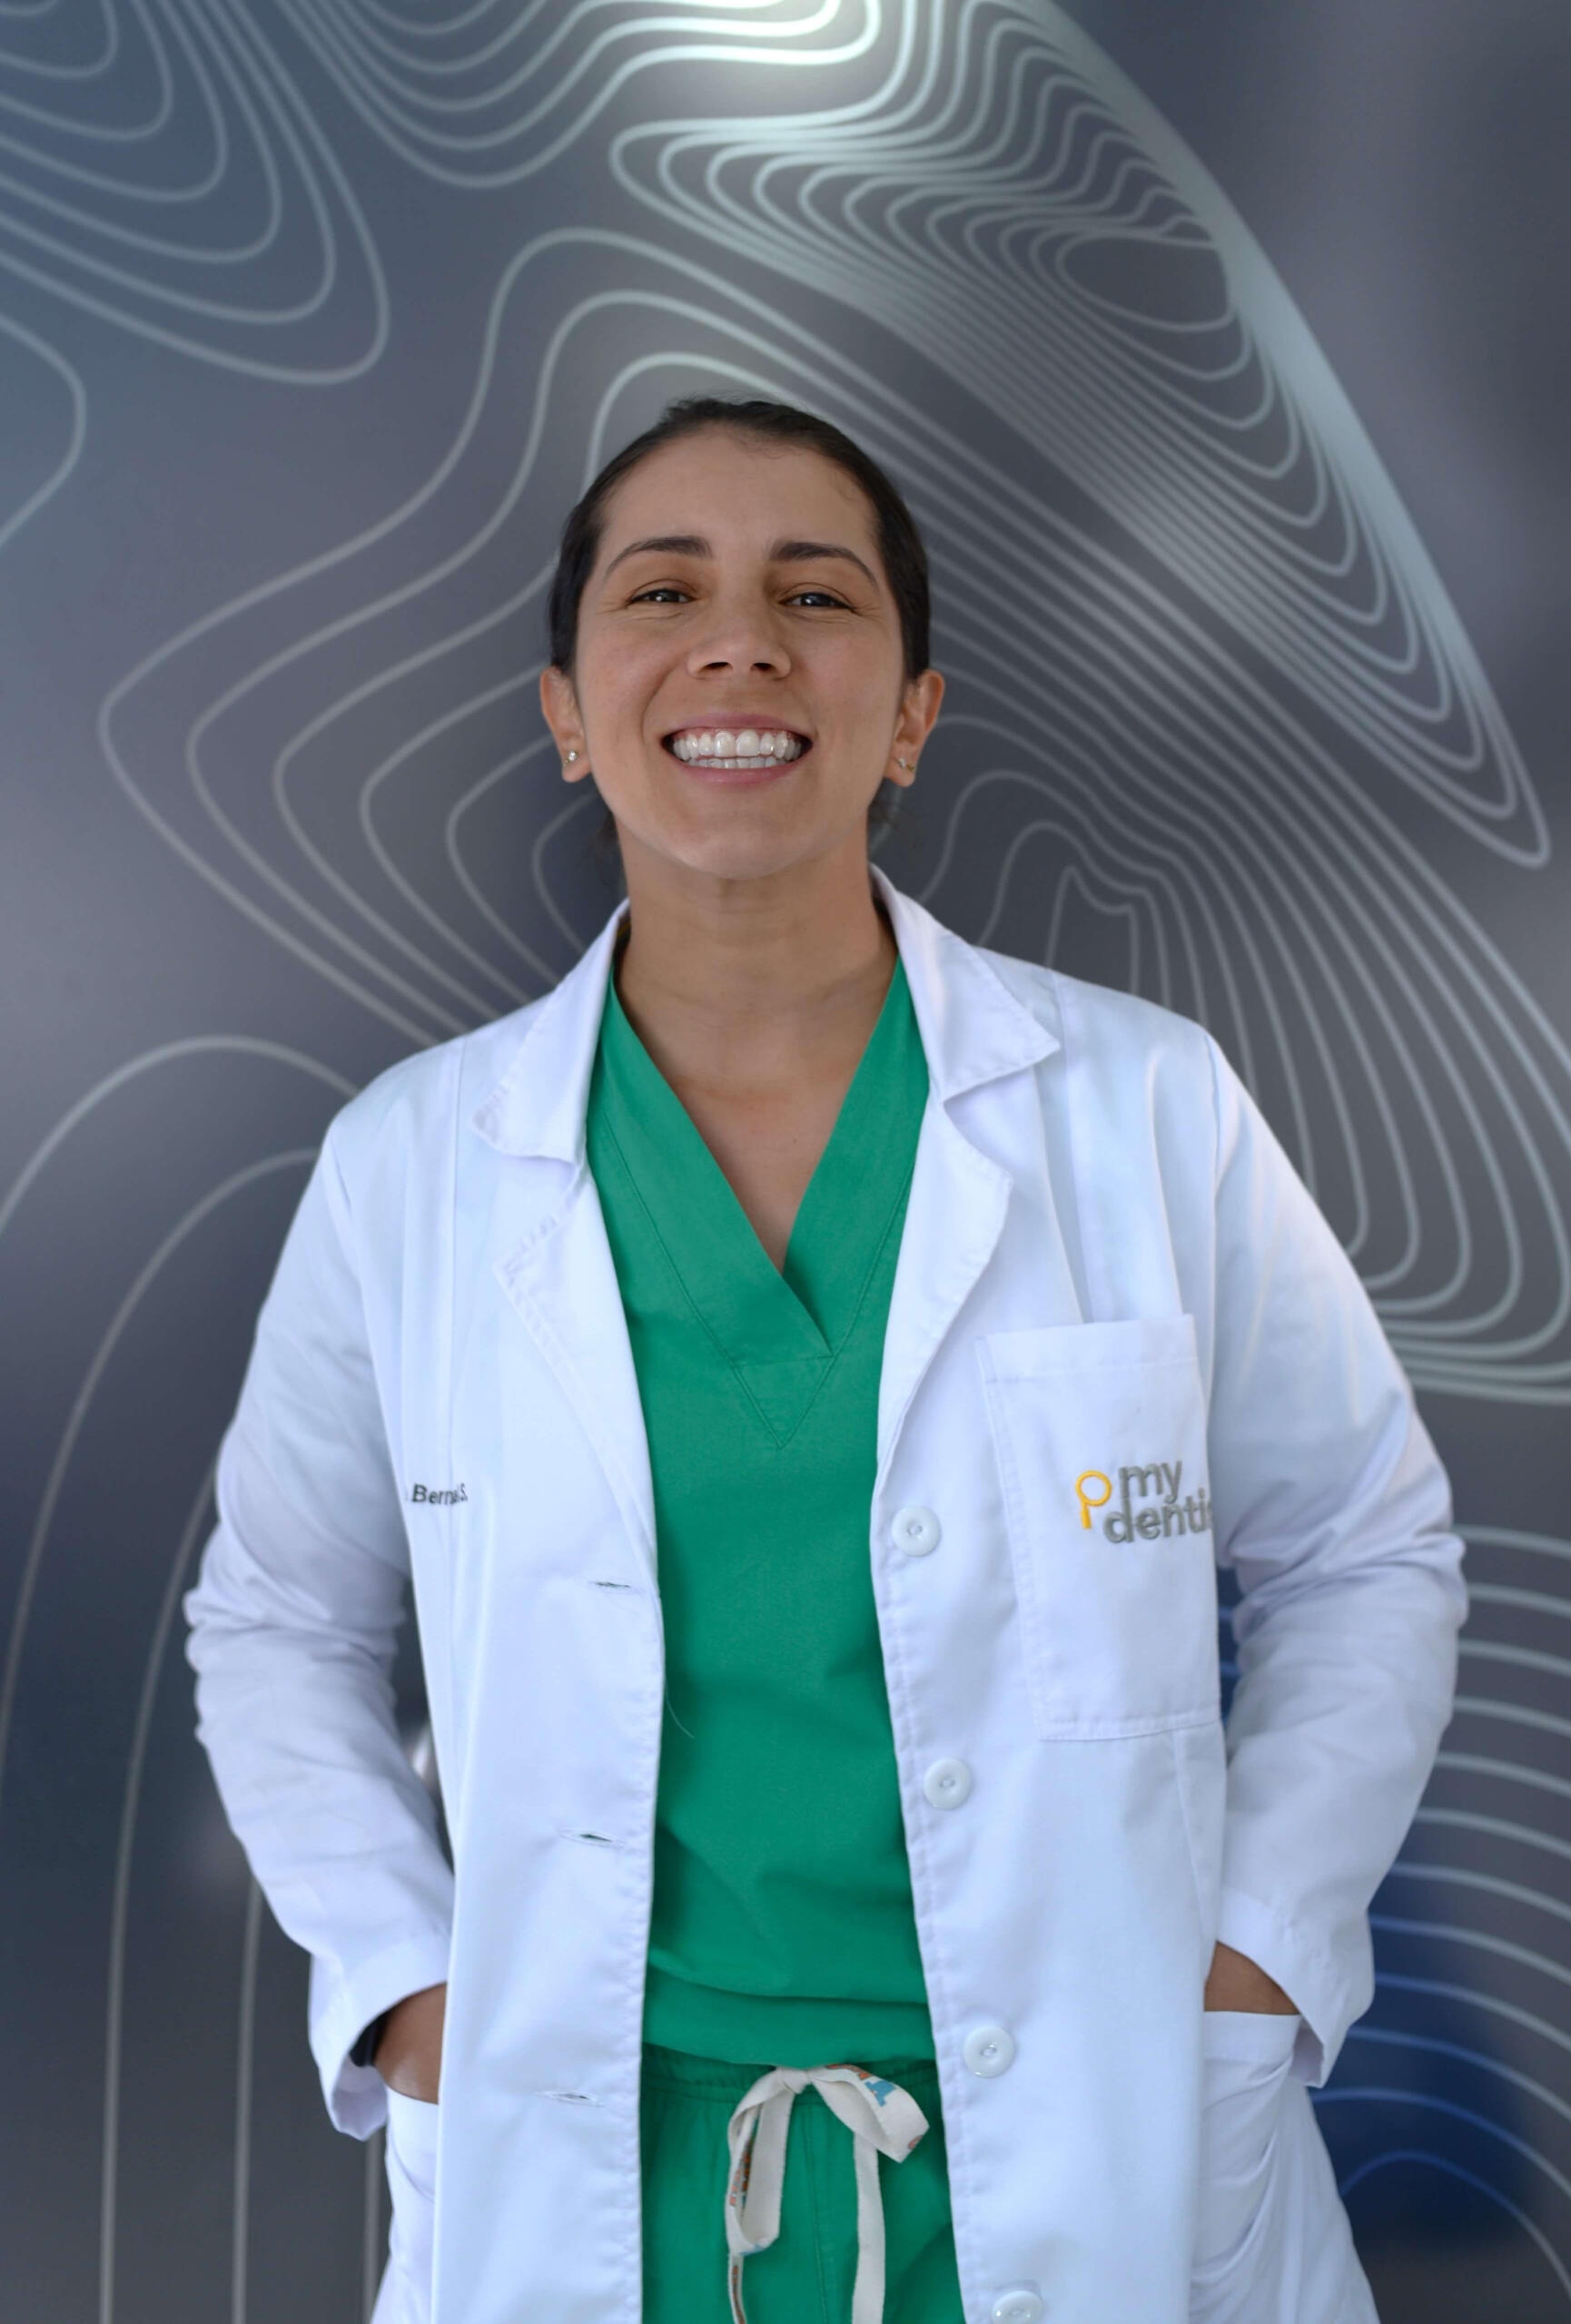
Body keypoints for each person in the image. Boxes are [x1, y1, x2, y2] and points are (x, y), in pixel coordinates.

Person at [183, 396, 1467, 2324]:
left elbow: (1363, 1554)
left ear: (913, 714)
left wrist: (1254, 1969)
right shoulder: (414, 1167)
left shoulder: (1143, 1110)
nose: (740, 644)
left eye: (814, 593)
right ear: (565, 712)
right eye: (663, 591)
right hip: (595, 2179)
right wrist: (409, 1990)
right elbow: (275, 1619)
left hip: (1103, 2151)